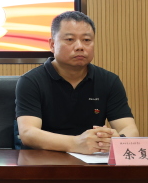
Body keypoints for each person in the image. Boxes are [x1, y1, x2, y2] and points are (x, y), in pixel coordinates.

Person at [16, 11, 138, 154]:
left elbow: (129, 129)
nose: (80, 46)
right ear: (52, 44)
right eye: (70, 39)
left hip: (93, 160)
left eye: (87, 40)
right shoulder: (31, 81)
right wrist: (76, 143)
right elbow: (28, 133)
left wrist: (115, 141)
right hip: (43, 160)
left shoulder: (109, 81)